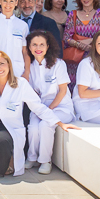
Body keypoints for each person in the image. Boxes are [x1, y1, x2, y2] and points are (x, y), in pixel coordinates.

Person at [0, 50, 75, 177]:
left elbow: (37, 106)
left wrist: (59, 123)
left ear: (9, 65)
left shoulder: (21, 84)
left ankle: (7, 160)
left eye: (2, 63)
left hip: (10, 128)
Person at [25, 32, 73, 174]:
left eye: (41, 44)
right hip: (40, 107)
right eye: (34, 44)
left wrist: (49, 109)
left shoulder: (58, 64)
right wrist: (42, 110)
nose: (38, 48)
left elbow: (63, 91)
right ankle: (32, 157)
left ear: (48, 47)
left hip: (60, 106)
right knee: (33, 127)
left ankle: (45, 161)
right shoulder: (30, 67)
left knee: (45, 125)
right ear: (29, 47)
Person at [63, 0, 100, 85]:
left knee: (94, 85)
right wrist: (79, 44)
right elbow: (66, 37)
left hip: (96, 57)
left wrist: (92, 40)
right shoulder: (73, 14)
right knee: (74, 86)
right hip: (75, 60)